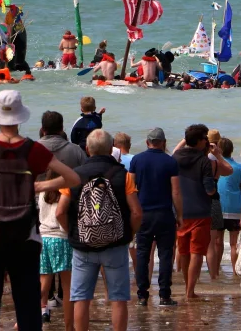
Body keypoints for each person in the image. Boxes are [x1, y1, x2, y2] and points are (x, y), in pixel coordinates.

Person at [0, 90, 81, 331]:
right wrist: (41, 185)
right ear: (20, 117)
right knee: (27, 306)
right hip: (25, 236)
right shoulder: (33, 150)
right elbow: (73, 178)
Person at [55, 129, 142, 331]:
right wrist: (129, 234)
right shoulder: (124, 175)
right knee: (118, 298)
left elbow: (60, 212)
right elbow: (137, 213)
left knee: (81, 298)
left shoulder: (74, 175)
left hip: (83, 245)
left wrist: (72, 233)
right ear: (111, 149)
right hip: (115, 245)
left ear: (87, 149)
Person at [129, 128, 182, 307]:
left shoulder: (137, 160)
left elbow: (130, 188)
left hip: (143, 214)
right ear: (163, 142)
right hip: (164, 214)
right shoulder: (170, 162)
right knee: (166, 254)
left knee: (143, 254)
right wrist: (180, 214)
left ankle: (142, 295)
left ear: (147, 142)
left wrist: (131, 212)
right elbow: (175, 191)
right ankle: (164, 295)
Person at [172, 124, 217, 300]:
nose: (207, 140)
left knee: (183, 251)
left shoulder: (175, 158)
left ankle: (187, 288)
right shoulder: (204, 161)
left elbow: (175, 150)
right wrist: (213, 189)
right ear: (199, 141)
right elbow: (209, 190)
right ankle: (190, 291)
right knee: (197, 252)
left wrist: (186, 137)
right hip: (200, 211)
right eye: (205, 137)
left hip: (180, 211)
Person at [38, 169, 73, 329]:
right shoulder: (64, 193)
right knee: (67, 287)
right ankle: (69, 325)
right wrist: (68, 230)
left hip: (43, 238)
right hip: (60, 238)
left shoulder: (42, 194)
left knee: (44, 283)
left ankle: (32, 315)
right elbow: (61, 215)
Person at [203, 129, 233, 280]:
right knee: (212, 243)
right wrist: (219, 154)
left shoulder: (198, 157)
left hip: (196, 200)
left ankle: (191, 275)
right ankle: (213, 275)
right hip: (213, 200)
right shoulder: (214, 159)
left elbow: (176, 154)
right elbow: (229, 170)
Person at [216, 137, 241, 274]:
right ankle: (235, 271)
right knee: (234, 244)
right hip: (235, 208)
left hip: (219, 208)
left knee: (218, 241)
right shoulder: (240, 168)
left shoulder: (215, 165)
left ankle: (215, 270)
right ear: (232, 150)